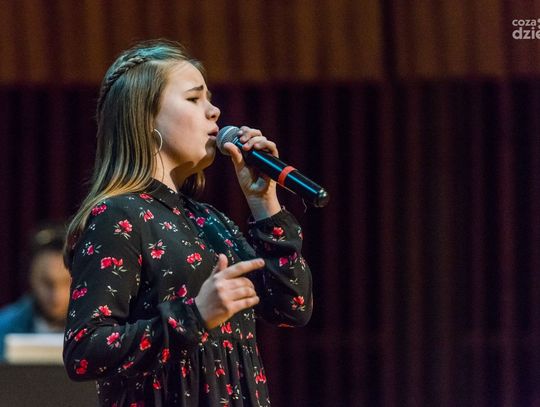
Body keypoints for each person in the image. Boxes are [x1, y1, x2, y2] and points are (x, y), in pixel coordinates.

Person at [62, 39, 313, 406]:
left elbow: (292, 307)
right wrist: (194, 316)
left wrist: (264, 202)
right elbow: (84, 351)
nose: (215, 111)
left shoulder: (212, 222)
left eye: (208, 98)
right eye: (194, 98)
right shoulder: (118, 214)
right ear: (145, 118)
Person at [0, 222, 71, 362]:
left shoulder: (100, 329)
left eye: (66, 282)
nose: (56, 296)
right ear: (30, 277)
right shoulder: (4, 328)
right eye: (46, 282)